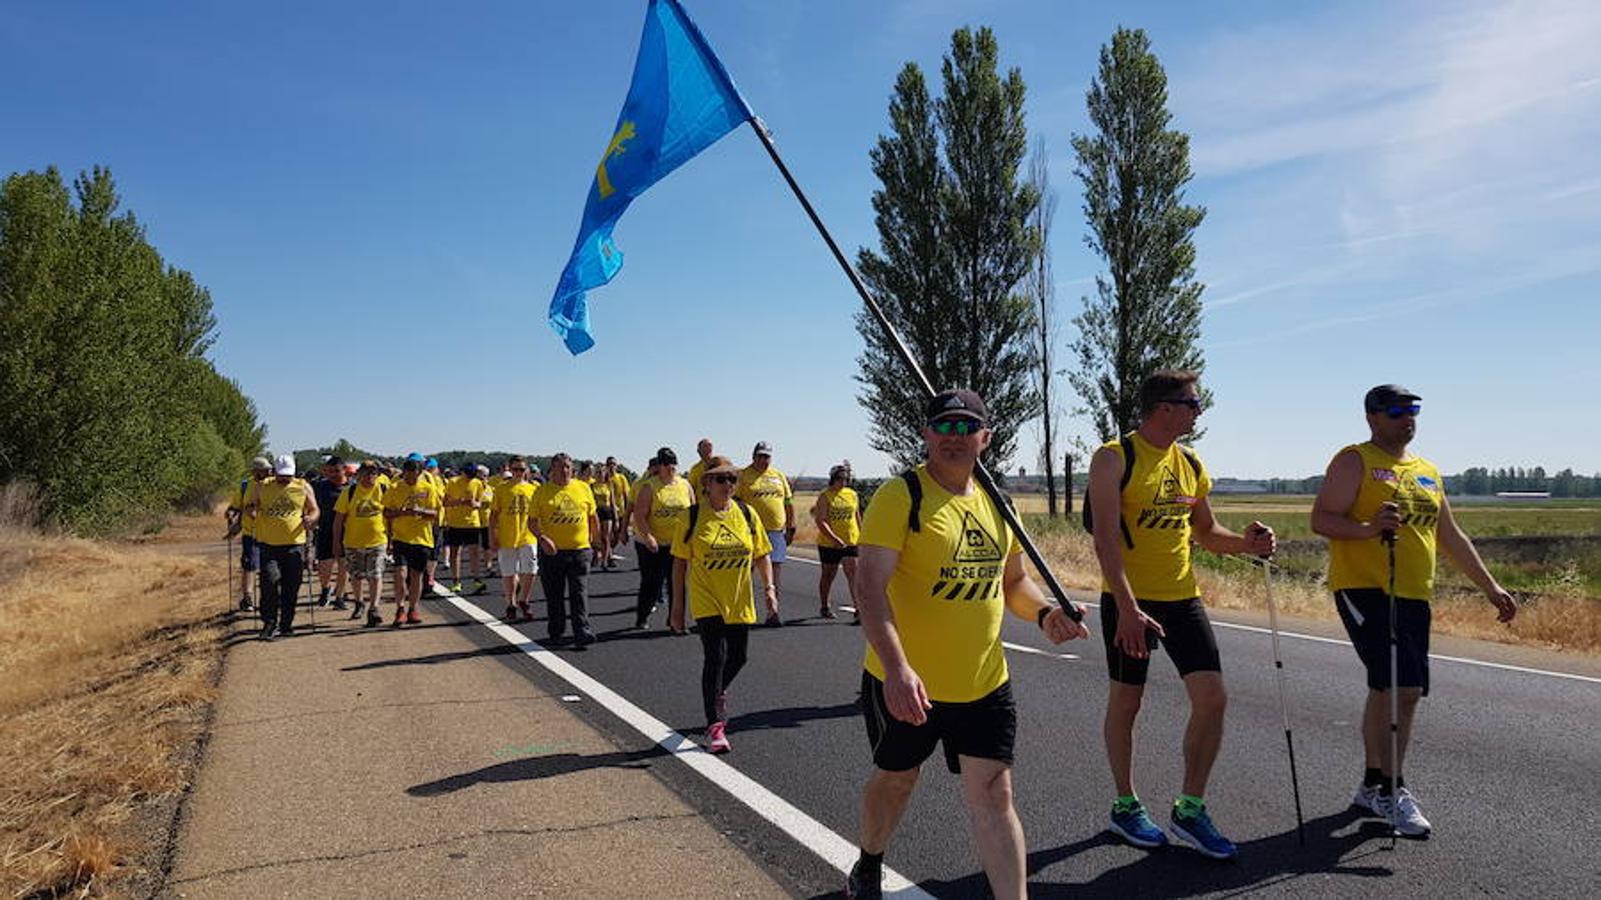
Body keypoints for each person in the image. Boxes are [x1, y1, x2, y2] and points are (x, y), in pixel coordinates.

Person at [848, 389, 1089, 900]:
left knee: (995, 793)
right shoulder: (901, 496)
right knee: (897, 781)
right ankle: (869, 861)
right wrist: (896, 669)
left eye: (966, 427)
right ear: (927, 433)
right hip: (909, 683)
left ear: (986, 436)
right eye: (944, 426)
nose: (954, 438)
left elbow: (1014, 583)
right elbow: (869, 588)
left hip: (984, 683)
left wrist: (1045, 614)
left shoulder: (998, 504)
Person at [1311, 384, 1517, 837]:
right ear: (1372, 417)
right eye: (1398, 410)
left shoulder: (1426, 472)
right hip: (1364, 588)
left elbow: (1451, 537)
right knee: (1401, 686)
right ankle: (1392, 788)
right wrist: (1369, 528)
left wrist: (1491, 587)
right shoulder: (1355, 460)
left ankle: (1371, 784)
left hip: (1413, 594)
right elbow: (1322, 518)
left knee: (1392, 689)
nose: (1409, 418)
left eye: (1414, 410)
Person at [1087, 370, 1275, 860]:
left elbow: (1207, 533)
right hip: (1130, 599)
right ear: (1164, 407)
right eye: (1193, 403)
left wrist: (1249, 546)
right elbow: (1105, 538)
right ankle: (1125, 806)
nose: (1199, 411)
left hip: (1182, 597)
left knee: (1213, 699)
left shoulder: (1190, 462)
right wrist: (1127, 608)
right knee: (1127, 704)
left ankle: (1189, 809)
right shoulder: (1114, 458)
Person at [670, 456, 774, 753]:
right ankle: (716, 725)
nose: (728, 484)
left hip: (739, 598)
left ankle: (716, 691)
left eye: (732, 479)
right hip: (707, 598)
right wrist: (677, 608)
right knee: (715, 657)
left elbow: (762, 554)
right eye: (721, 479)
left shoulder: (747, 513)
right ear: (706, 483)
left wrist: (769, 588)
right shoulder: (690, 517)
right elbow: (679, 564)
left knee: (739, 656)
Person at [244, 454, 321, 641]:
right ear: (274, 472)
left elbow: (314, 509)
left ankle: (286, 624)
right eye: (281, 475)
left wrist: (311, 518)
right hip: (268, 544)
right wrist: (252, 512)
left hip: (294, 545)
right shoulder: (262, 486)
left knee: (291, 587)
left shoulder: (302, 486)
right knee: (269, 582)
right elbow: (250, 506)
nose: (284, 479)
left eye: (288, 475)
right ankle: (269, 623)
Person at [531, 453, 600, 649]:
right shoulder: (542, 492)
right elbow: (532, 522)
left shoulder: (583, 488)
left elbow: (592, 518)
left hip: (579, 550)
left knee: (579, 593)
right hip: (553, 553)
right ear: (552, 469)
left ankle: (582, 631)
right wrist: (542, 538)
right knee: (555, 595)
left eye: (568, 467)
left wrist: (596, 544)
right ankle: (556, 631)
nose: (565, 471)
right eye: (560, 467)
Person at [630, 448, 691, 630]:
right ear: (660, 466)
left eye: (673, 464)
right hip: (652, 544)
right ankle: (642, 615)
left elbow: (693, 511)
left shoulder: (685, 485)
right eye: (666, 464)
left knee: (677, 584)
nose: (670, 467)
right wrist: (648, 536)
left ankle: (676, 621)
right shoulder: (650, 487)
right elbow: (639, 515)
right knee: (652, 582)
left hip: (677, 544)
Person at [735, 441, 795, 626]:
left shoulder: (778, 476)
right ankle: (741, 610)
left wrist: (791, 525)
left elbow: (787, 501)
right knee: (747, 570)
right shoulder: (743, 476)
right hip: (750, 530)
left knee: (774, 571)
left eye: (767, 456)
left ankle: (773, 611)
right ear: (753, 456)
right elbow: (735, 503)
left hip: (776, 531)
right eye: (760, 456)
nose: (763, 460)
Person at [383, 458, 443, 627]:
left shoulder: (428, 488)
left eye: (415, 476)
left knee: (416, 575)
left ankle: (413, 608)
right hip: (401, 537)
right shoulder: (395, 488)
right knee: (400, 573)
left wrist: (420, 511)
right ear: (404, 473)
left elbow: (435, 513)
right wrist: (400, 513)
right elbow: (386, 512)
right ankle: (400, 608)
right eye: (408, 475)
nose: (411, 479)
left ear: (420, 473)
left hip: (422, 538)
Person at [334, 461, 388, 627]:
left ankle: (374, 608)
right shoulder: (349, 492)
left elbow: (390, 514)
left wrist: (392, 538)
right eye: (366, 473)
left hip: (377, 540)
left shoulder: (384, 490)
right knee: (356, 575)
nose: (370, 476)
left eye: (373, 473)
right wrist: (336, 543)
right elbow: (338, 520)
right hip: (353, 542)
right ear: (359, 474)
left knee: (376, 574)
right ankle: (359, 602)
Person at [489, 456, 539, 622]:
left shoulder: (534, 489)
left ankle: (524, 599)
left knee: (531, 570)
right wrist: (492, 538)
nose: (519, 473)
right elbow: (493, 516)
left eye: (522, 469)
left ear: (527, 471)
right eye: (515, 469)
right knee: (509, 573)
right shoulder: (501, 489)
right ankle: (510, 603)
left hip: (528, 536)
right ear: (510, 469)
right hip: (507, 536)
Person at [813, 464, 862, 621]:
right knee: (828, 575)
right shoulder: (825, 496)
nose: (843, 482)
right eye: (840, 478)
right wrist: (834, 538)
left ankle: (858, 609)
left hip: (850, 541)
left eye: (846, 479)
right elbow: (821, 521)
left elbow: (857, 516)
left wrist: (862, 535)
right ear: (833, 479)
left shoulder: (852, 495)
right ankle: (824, 606)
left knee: (853, 574)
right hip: (829, 543)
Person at [225, 456, 272, 611]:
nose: (267, 472)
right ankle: (248, 597)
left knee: (268, 568)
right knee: (250, 565)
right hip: (250, 532)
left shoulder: (274, 485)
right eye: (263, 470)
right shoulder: (246, 486)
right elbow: (236, 505)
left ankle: (268, 598)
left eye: (267, 470)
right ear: (255, 471)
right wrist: (231, 512)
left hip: (271, 534)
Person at [442, 463, 489, 596]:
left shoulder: (477, 483)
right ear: (462, 473)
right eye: (468, 475)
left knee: (474, 552)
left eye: (472, 476)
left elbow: (481, 502)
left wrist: (475, 504)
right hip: (455, 523)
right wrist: (460, 502)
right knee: (455, 553)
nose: (470, 478)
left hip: (472, 523)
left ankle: (477, 579)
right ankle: (456, 581)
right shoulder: (453, 482)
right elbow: (445, 502)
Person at [311, 456, 351, 609]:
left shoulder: (351, 488)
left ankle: (340, 596)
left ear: (344, 470)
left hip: (347, 532)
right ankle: (325, 588)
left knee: (344, 566)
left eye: (336, 471)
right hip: (325, 530)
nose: (333, 474)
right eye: (329, 471)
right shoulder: (320, 486)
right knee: (324, 566)